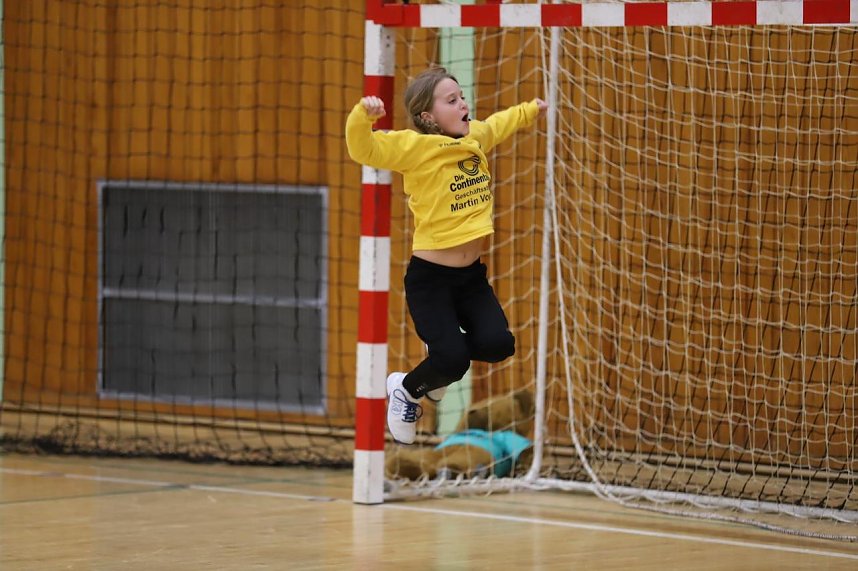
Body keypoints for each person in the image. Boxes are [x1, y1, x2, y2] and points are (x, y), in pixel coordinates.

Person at [346, 66, 548, 444]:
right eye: (451, 100)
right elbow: (364, 148)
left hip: (471, 279)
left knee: (498, 345)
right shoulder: (415, 147)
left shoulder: (474, 137)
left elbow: (500, 124)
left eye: (462, 97)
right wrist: (363, 116)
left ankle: (437, 368)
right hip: (431, 280)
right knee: (454, 360)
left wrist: (530, 110)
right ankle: (406, 389)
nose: (463, 104)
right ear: (428, 117)